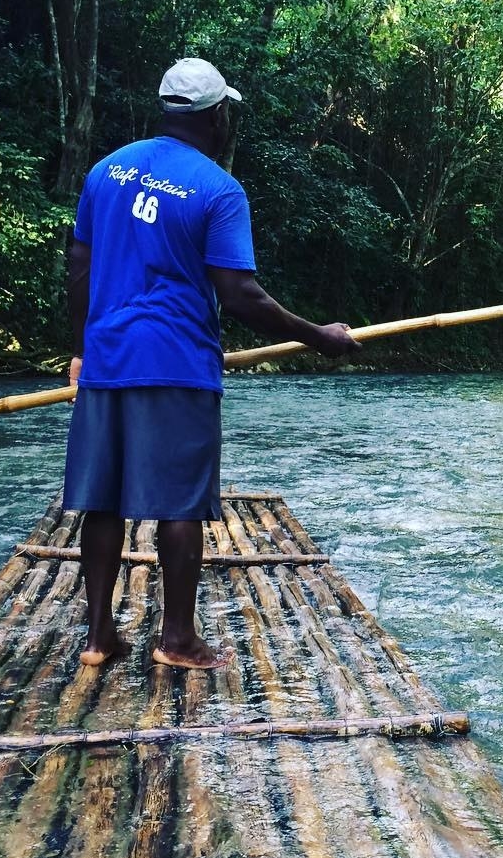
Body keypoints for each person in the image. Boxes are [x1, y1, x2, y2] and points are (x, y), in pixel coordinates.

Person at [64, 58, 359, 671]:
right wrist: (319, 338)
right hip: (176, 363)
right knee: (180, 506)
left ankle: (97, 638)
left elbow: (78, 267)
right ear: (216, 114)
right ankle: (176, 641)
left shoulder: (104, 170)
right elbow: (242, 296)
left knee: (102, 499)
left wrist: (81, 348)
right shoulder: (219, 189)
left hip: (108, 358)